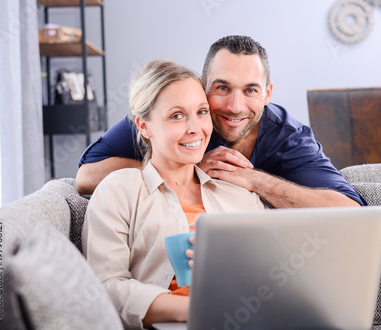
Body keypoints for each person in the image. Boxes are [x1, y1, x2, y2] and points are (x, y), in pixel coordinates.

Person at [76, 35, 367, 208]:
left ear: (267, 93)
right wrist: (185, 169)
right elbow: (86, 177)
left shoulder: (288, 137)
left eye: (250, 90)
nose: (235, 106)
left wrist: (254, 180)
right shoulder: (170, 119)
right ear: (203, 86)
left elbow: (352, 210)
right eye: (222, 88)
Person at [82, 61, 267, 330]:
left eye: (201, 112)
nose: (195, 128)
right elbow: (106, 287)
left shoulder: (238, 194)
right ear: (144, 126)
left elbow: (271, 276)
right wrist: (196, 310)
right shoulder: (120, 190)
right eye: (177, 116)